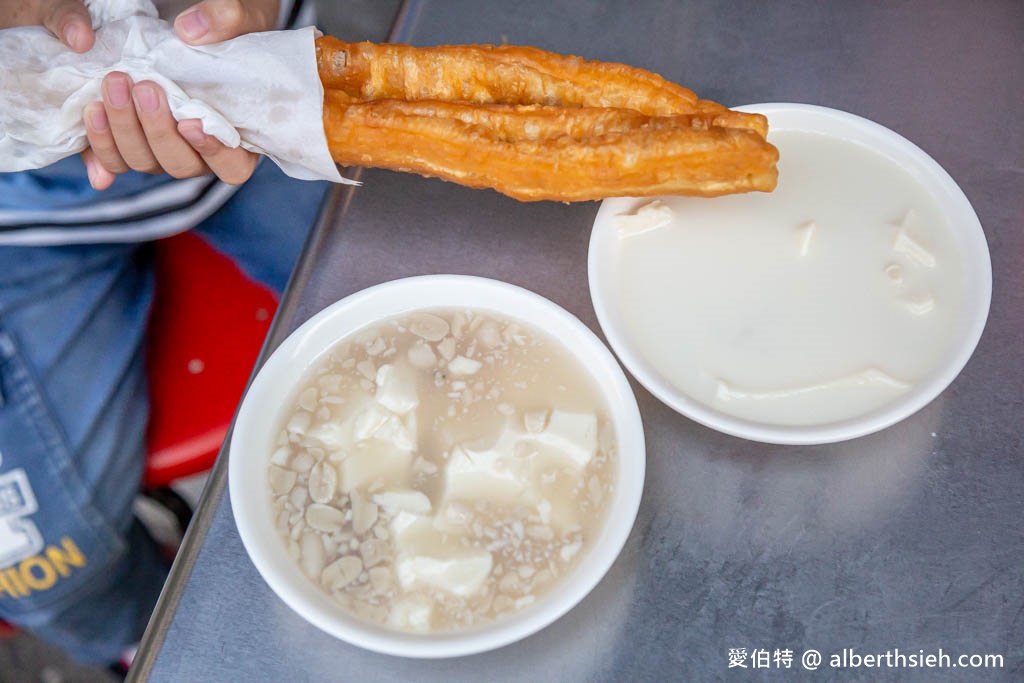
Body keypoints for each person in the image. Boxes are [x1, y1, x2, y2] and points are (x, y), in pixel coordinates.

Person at [0, 0, 329, 666]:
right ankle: (174, 645)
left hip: (254, 104)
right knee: (40, 565)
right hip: (20, 232)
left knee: (453, 331)